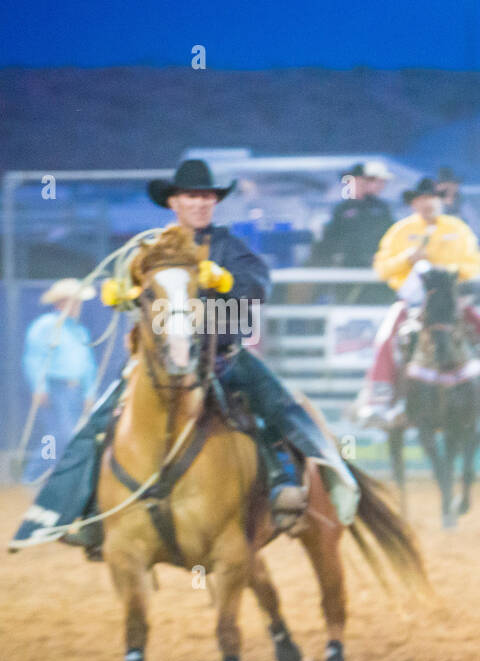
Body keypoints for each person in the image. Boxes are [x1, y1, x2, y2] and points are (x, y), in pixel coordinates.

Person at [11, 159, 358, 556]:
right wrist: (121, 293)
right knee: (100, 424)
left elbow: (259, 285)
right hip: (158, 360)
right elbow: (129, 287)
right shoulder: (150, 250)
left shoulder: (229, 247)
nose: (200, 203)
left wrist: (227, 282)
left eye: (207, 196)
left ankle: (286, 483)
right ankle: (84, 511)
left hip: (221, 355)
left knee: (275, 407)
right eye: (192, 195)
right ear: (174, 201)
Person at [364, 177, 480, 425]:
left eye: (432, 198)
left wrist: (445, 271)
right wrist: (407, 258)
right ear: (414, 204)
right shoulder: (400, 231)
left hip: (452, 301)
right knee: (386, 337)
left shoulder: (457, 229)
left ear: (440, 201)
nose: (428, 203)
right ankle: (380, 401)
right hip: (413, 302)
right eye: (422, 199)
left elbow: (474, 264)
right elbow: (381, 268)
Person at [21, 279, 98, 484]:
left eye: (78, 302)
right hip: (56, 388)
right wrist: (40, 387)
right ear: (60, 303)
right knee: (60, 435)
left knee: (64, 435)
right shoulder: (46, 325)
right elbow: (34, 358)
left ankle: (50, 477)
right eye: (73, 302)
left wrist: (89, 393)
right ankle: (35, 476)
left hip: (75, 391)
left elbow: (88, 365)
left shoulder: (79, 330)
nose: (76, 306)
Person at [311, 160, 395, 267]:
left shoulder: (380, 208)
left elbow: (390, 232)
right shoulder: (342, 209)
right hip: (347, 262)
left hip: (375, 261)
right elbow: (331, 237)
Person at [434, 165, 480, 232]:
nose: (447, 188)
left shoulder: (465, 205)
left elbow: (476, 227)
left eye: (450, 184)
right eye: (443, 184)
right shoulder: (430, 205)